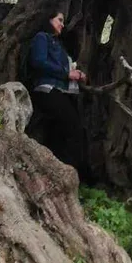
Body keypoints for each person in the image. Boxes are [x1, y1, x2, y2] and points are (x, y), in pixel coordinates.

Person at [27, 12, 88, 180]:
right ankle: (67, 174)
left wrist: (77, 74)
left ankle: (57, 173)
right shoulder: (42, 37)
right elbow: (38, 62)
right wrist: (66, 73)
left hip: (59, 90)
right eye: (59, 20)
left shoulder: (58, 44)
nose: (62, 24)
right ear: (49, 19)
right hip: (47, 89)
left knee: (60, 131)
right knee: (73, 128)